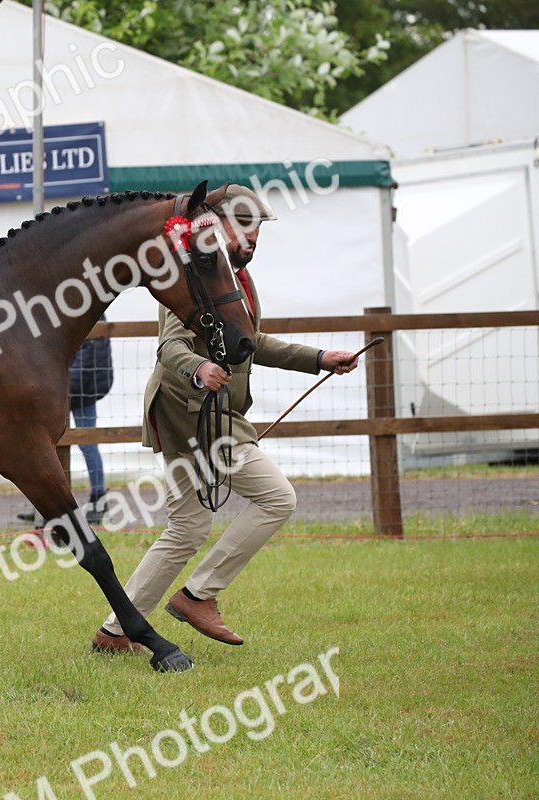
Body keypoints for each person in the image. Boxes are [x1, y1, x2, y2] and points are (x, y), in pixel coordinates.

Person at [91, 185, 359, 655]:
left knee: (187, 529)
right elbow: (171, 346)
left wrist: (319, 358)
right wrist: (198, 368)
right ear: (215, 224)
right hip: (191, 413)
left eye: (258, 227)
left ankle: (116, 633)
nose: (254, 236)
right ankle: (199, 597)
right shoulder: (194, 273)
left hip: (201, 415)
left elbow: (253, 342)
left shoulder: (236, 280)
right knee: (277, 498)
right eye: (244, 223)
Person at [18, 320, 114, 525]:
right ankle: (47, 508)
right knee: (50, 446)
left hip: (78, 391)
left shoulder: (90, 312)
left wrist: (59, 387)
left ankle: (98, 499)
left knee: (87, 443)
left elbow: (89, 359)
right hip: (65, 390)